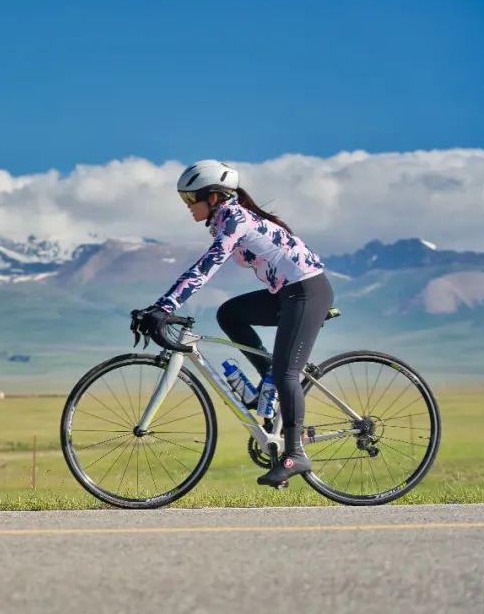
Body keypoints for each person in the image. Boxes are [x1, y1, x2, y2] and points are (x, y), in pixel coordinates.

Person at [134, 160, 334, 487]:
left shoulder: (234, 217)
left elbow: (206, 267)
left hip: (307, 291)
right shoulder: (225, 220)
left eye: (190, 199)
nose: (187, 207)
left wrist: (164, 306)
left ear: (213, 197)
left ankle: (295, 454)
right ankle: (266, 383)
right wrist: (161, 306)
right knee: (229, 313)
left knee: (288, 373)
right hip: (285, 293)